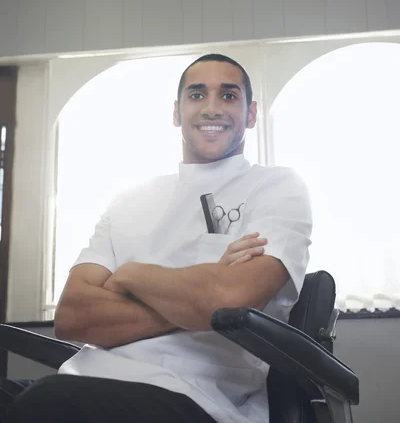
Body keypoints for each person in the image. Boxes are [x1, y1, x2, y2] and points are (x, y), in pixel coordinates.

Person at [2, 54, 312, 423]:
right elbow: (73, 316)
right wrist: (200, 294)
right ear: (177, 113)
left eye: (228, 96)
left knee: (50, 402)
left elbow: (229, 299)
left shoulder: (277, 188)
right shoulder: (129, 199)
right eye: (197, 95)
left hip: (197, 399)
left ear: (251, 114)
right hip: (84, 379)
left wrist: (131, 275)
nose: (212, 108)